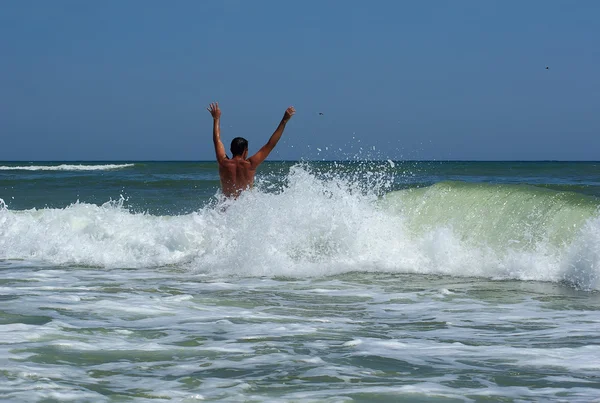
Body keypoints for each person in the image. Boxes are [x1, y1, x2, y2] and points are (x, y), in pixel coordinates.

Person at [207, 102, 295, 198]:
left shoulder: (223, 162)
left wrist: (216, 118)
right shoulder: (250, 164)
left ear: (231, 149)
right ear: (245, 150)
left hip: (226, 210)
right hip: (245, 209)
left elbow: (217, 140)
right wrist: (284, 121)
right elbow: (271, 144)